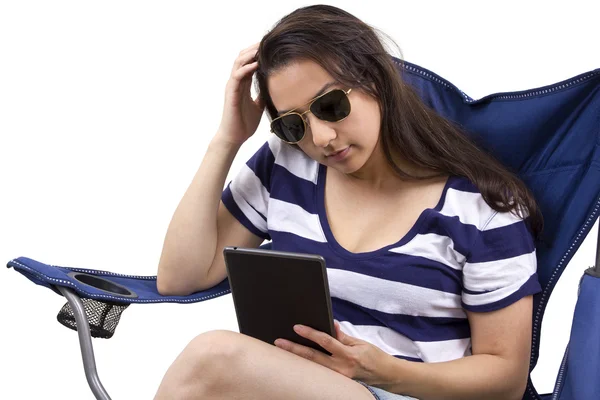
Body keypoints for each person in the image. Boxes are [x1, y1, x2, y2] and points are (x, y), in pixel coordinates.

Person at [153, 5, 543, 400]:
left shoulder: (483, 210)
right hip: (300, 386)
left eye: (330, 105)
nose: (321, 138)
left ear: (375, 80)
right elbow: (179, 277)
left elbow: (506, 378)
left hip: (408, 392)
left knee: (214, 356)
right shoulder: (287, 166)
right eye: (294, 124)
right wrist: (227, 139)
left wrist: (386, 372)